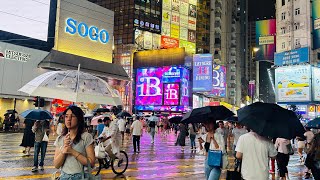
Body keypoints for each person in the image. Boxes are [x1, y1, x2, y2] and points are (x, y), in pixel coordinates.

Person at [53, 106, 95, 179]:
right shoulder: (60, 139)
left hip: (81, 177)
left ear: (79, 119)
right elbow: (56, 165)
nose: (69, 119)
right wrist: (64, 150)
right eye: (66, 116)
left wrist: (72, 151)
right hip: (64, 177)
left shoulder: (86, 137)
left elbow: (91, 163)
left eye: (72, 116)